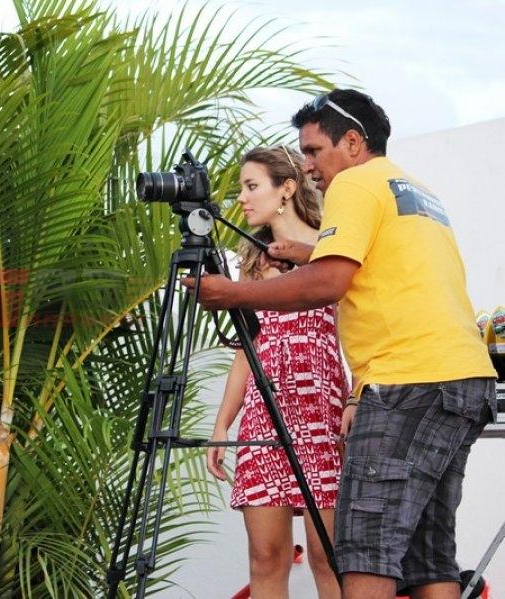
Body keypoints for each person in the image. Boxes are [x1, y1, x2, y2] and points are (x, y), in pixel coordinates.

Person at [184, 89, 497, 599]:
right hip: (465, 378)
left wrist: (230, 295)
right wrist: (309, 254)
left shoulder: (353, 183)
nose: (308, 165)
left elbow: (330, 283)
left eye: (313, 151)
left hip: (407, 382)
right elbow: (384, 267)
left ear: (352, 142)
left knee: (363, 549)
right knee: (427, 556)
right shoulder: (413, 190)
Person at [208, 146, 346, 599]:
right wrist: (222, 424)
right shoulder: (251, 263)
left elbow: (357, 331)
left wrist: (357, 398)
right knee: (266, 558)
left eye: (252, 186)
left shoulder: (331, 249)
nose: (242, 199)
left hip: (321, 418)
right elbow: (247, 350)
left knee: (328, 556)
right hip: (264, 419)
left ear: (286, 188)